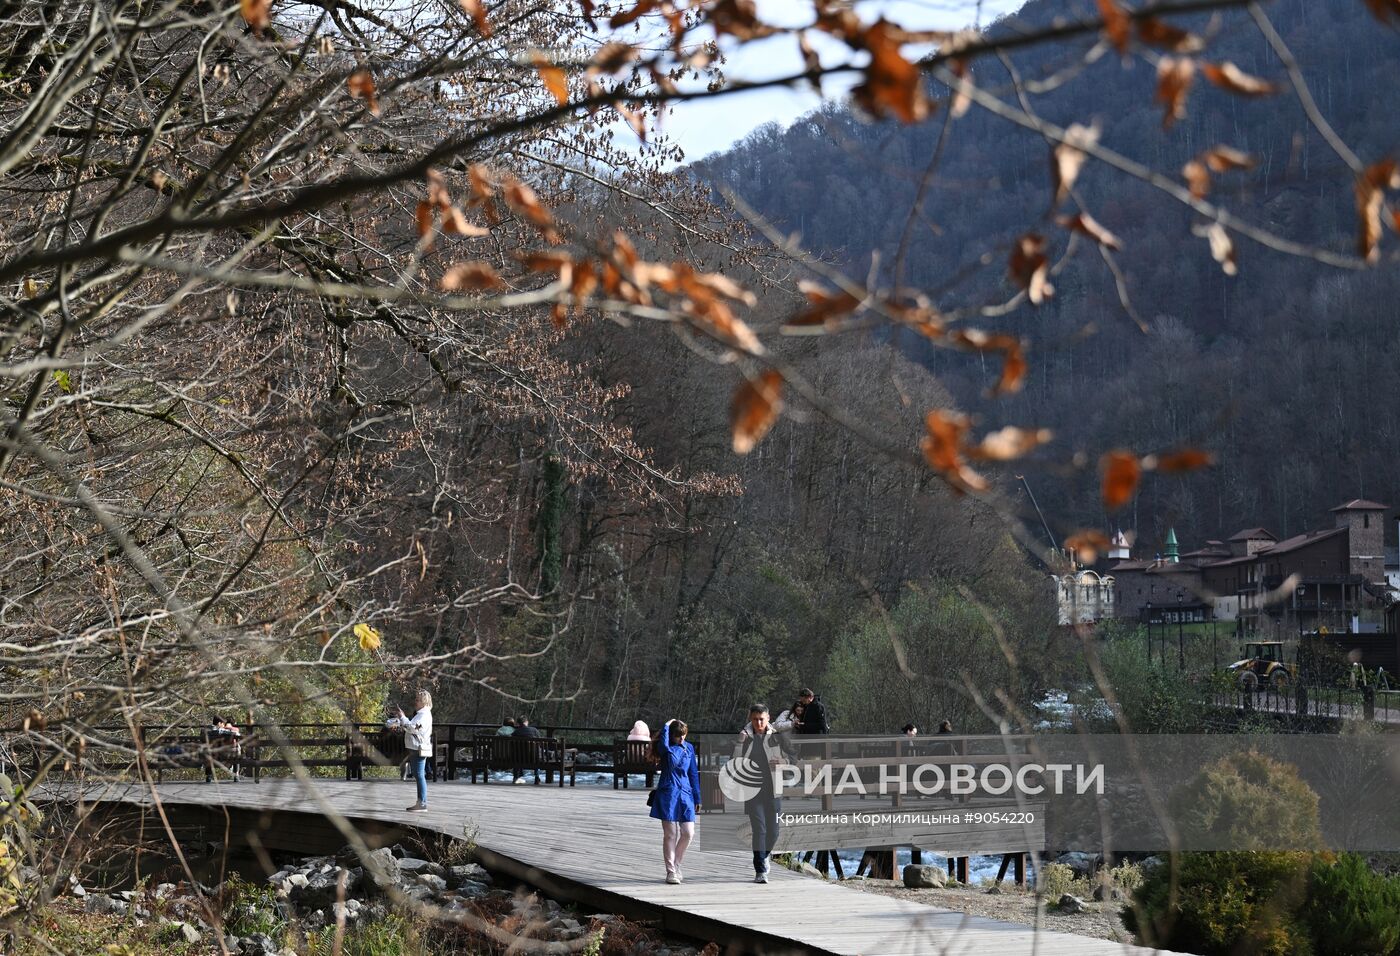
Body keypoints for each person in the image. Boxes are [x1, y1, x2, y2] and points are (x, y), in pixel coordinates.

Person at [735, 703, 797, 883]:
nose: (758, 722)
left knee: (774, 832)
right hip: (752, 791)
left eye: (762, 719)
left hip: (774, 790)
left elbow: (794, 757)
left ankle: (764, 856)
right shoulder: (744, 737)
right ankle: (760, 871)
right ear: (750, 718)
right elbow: (735, 762)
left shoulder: (777, 737)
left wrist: (782, 761)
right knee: (759, 830)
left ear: (768, 718)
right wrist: (739, 742)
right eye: (755, 719)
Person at [649, 719, 701, 884]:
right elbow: (663, 745)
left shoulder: (689, 748)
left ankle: (677, 864)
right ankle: (671, 871)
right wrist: (666, 725)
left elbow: (693, 773)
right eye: (678, 736)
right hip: (668, 793)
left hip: (686, 793)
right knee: (670, 834)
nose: (682, 739)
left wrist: (697, 797)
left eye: (684, 735)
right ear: (671, 735)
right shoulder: (665, 748)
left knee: (688, 832)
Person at [387, 689, 433, 811]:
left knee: (419, 775)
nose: (415, 702)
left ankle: (422, 803)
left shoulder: (423, 715)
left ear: (424, 702)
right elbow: (411, 727)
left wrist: (402, 717)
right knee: (419, 775)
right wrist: (402, 719)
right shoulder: (421, 714)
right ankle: (421, 802)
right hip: (415, 747)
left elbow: (413, 728)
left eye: (418, 700)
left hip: (417, 748)